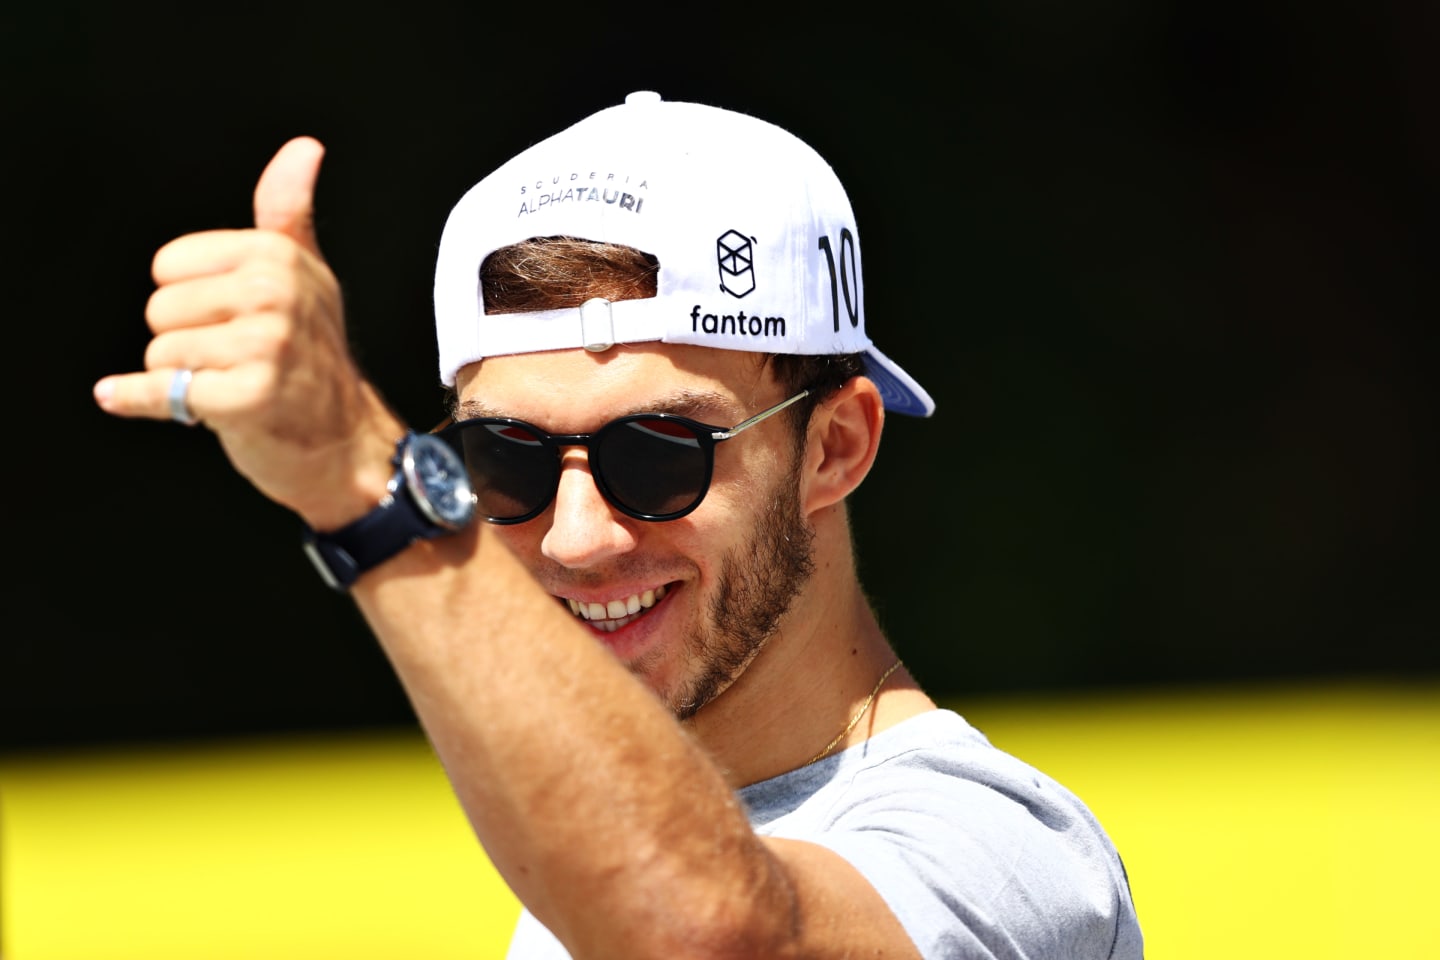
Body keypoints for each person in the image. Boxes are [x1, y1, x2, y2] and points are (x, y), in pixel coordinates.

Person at [94, 91, 1144, 959]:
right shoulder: (599, 840)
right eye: (505, 460)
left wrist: (370, 487)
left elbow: (713, 936)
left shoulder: (1004, 853)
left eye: (658, 454)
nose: (576, 538)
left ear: (836, 447)